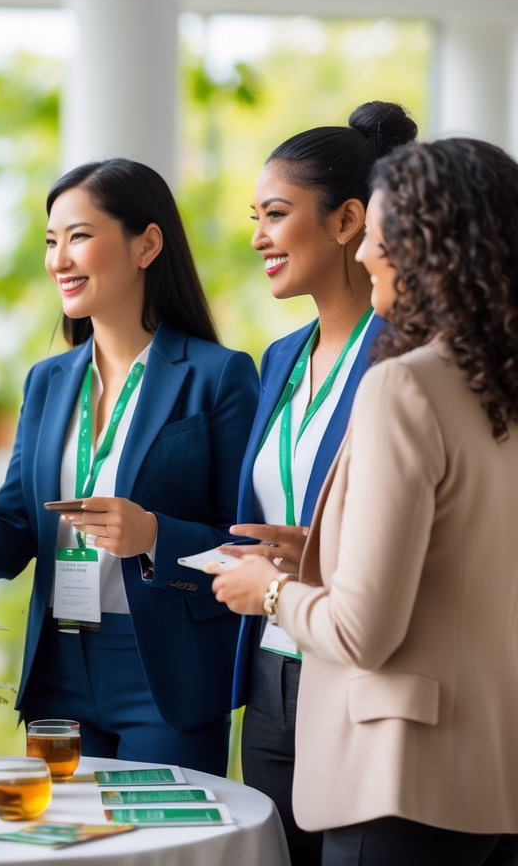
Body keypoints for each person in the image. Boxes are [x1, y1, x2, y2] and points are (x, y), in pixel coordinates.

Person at [0, 158, 259, 772]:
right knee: (64, 826)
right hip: (59, 668)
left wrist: (154, 535)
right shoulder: (48, 381)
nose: (59, 260)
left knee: (157, 830)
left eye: (79, 236)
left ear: (147, 245)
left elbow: (244, 543)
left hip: (165, 674)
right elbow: (13, 535)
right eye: (51, 242)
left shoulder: (217, 375)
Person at [211, 137, 518, 865]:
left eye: (380, 234)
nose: (370, 254)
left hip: (397, 771)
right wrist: (321, 554)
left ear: (426, 246)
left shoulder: (403, 383)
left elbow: (362, 634)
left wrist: (267, 591)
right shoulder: (494, 380)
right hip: (491, 769)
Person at [219, 101, 418, 865]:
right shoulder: (279, 359)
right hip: (271, 671)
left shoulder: (406, 358)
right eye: (257, 218)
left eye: (275, 215)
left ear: (347, 222)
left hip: (359, 670)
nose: (258, 237)